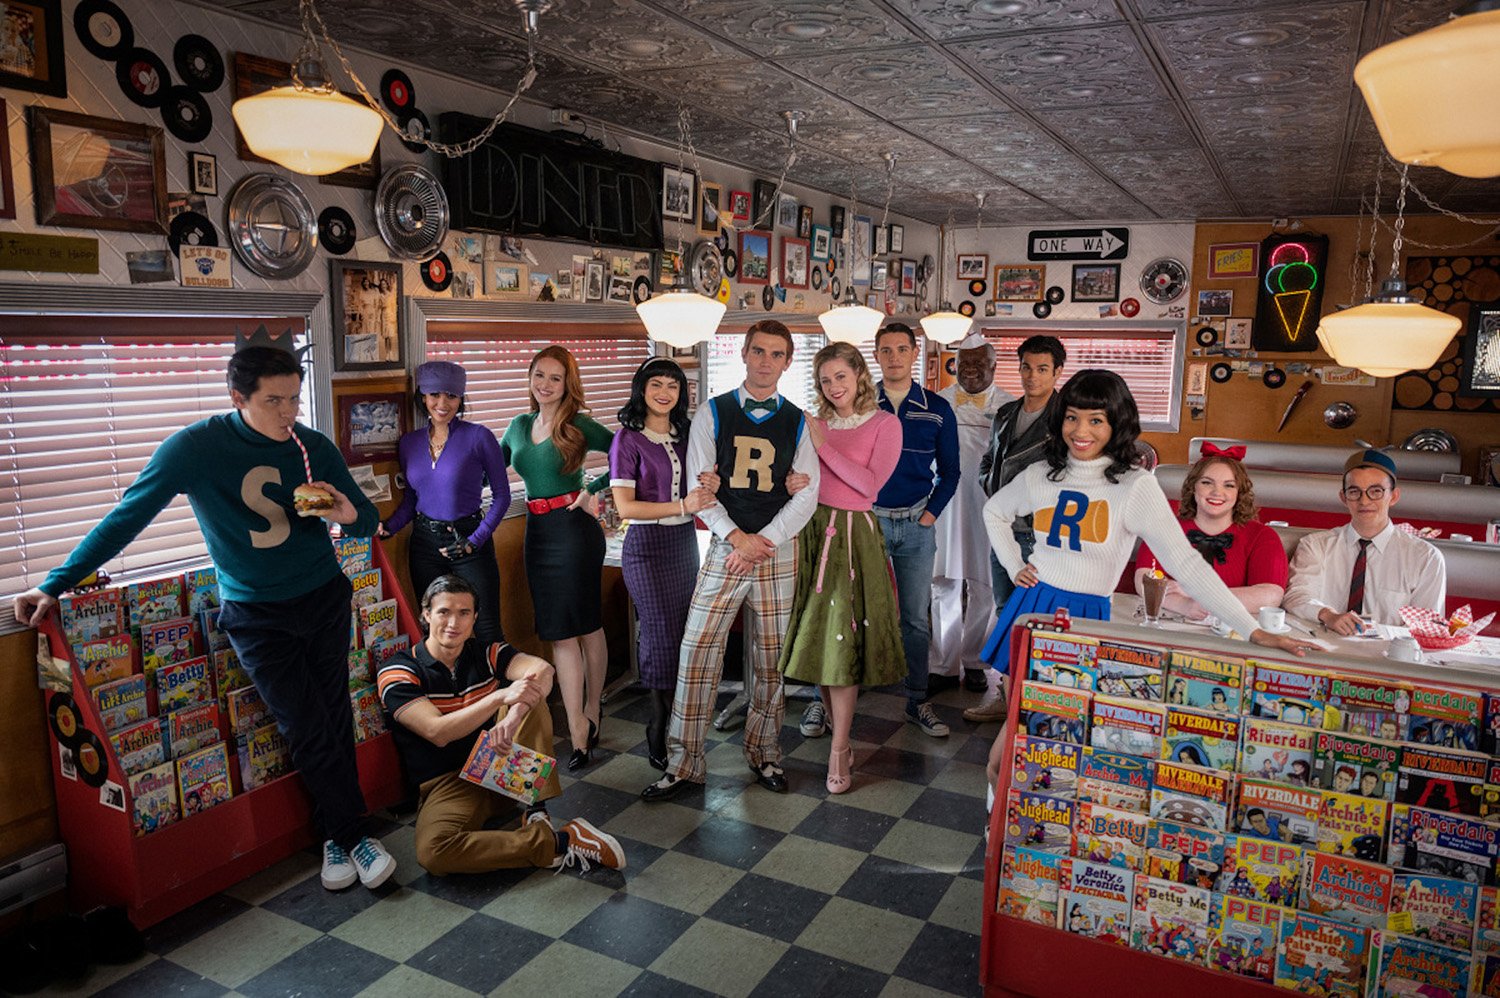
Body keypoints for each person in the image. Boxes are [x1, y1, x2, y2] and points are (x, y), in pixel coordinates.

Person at [12, 345, 396, 892]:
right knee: (305, 723)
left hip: (323, 599)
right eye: (273, 401)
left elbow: (368, 523)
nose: (289, 412)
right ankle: (350, 833)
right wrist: (54, 582)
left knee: (334, 713)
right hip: (256, 615)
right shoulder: (194, 448)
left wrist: (348, 514)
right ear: (237, 398)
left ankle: (339, 833)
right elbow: (127, 517)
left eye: (294, 397)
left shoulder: (313, 446)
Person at [978, 369, 1318, 806]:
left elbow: (1186, 565)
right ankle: (1000, 831)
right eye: (1073, 418)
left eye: (1096, 420)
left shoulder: (1135, 486)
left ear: (1117, 423)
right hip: (1036, 604)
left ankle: (1036, 835)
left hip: (1085, 618)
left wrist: (1251, 630)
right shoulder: (1041, 474)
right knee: (1011, 747)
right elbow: (994, 512)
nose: (1081, 431)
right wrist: (1014, 563)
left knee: (1059, 746)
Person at [641, 320, 820, 801]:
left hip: (776, 550)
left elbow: (808, 494)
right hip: (727, 545)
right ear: (743, 353)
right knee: (697, 649)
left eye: (776, 354)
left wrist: (764, 540)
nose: (765, 361)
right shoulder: (712, 412)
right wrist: (737, 537)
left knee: (769, 660)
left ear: (787, 361)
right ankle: (684, 764)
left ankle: (765, 754)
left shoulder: (799, 419)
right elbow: (699, 489)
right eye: (758, 351)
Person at [377, 575, 625, 876]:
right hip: (447, 783)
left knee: (530, 694)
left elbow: (543, 670)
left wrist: (512, 716)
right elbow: (437, 732)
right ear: (426, 615)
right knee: (433, 852)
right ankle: (561, 842)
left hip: (501, 766)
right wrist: (499, 697)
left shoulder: (486, 652)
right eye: (444, 612)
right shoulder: (399, 670)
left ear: (475, 618)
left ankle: (537, 811)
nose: (453, 622)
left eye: (464, 613)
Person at [778, 343, 904, 793]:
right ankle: (839, 737)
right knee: (819, 640)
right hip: (811, 531)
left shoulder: (886, 425)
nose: (834, 388)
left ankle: (839, 748)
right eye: (825, 380)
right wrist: (797, 478)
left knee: (841, 640)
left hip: (853, 537)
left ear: (859, 376)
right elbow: (805, 477)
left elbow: (869, 485)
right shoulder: (816, 423)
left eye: (841, 378)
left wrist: (823, 446)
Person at [825, 321, 958, 741]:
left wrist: (930, 515)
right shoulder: (859, 407)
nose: (895, 357)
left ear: (915, 353)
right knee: (845, 610)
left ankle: (917, 699)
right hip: (866, 520)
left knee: (915, 619)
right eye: (886, 350)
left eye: (903, 349)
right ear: (876, 356)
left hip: (916, 524)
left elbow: (952, 472)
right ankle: (823, 702)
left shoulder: (937, 407)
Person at [500, 346, 614, 770]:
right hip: (537, 532)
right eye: (539, 375)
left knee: (583, 626)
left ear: (568, 385)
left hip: (574, 530)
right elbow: (491, 468)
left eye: (555, 378)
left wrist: (593, 488)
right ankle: (583, 721)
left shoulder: (578, 425)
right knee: (560, 632)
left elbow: (627, 449)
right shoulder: (518, 425)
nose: (545, 385)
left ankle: (586, 722)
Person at [609, 358, 718, 771]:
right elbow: (624, 506)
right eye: (656, 384)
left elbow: (706, 476)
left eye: (673, 386)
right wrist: (682, 504)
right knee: (658, 633)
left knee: (686, 631)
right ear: (642, 389)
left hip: (683, 543)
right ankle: (658, 723)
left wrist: (711, 483)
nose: (664, 393)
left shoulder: (687, 434)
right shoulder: (628, 439)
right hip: (645, 546)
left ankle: (682, 725)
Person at [965, 335, 1065, 724]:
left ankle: (1037, 700)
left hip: (1042, 532)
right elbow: (989, 460)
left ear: (1057, 372)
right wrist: (992, 486)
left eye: (1042, 369)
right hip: (1003, 527)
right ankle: (1005, 696)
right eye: (1026, 367)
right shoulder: (1005, 412)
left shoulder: (1066, 416)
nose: (1032, 376)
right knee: (1006, 611)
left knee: (1040, 616)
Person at [380, 361, 509, 645]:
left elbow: (502, 496)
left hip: (470, 541)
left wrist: (474, 541)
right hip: (424, 544)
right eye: (434, 394)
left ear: (460, 398)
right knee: (434, 632)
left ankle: (502, 689)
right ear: (422, 396)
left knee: (487, 629)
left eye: (451, 396)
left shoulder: (479, 437)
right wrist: (387, 527)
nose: (442, 403)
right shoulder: (408, 443)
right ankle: (449, 689)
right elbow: (412, 500)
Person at [1283, 449, 1446, 633]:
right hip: (1322, 647)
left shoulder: (1425, 557)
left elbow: (1426, 627)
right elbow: (1296, 596)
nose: (1364, 501)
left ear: (1393, 496)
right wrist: (1328, 615)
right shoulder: (1315, 546)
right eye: (1354, 492)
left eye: (1376, 491)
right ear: (1343, 498)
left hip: (1389, 655)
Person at [930, 331, 1011, 695]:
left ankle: (975, 660)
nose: (972, 371)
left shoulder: (1010, 408)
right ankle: (943, 663)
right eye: (965, 364)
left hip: (988, 506)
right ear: (955, 366)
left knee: (984, 585)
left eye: (980, 364)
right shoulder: (936, 403)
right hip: (943, 504)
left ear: (994, 366)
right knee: (943, 583)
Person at [1132, 442, 1289, 620]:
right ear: (1193, 488)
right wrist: (1185, 605)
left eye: (1229, 485)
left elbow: (1270, 596)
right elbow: (1144, 580)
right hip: (1173, 626)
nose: (1217, 492)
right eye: (1207, 483)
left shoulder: (1263, 537)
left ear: (1240, 492)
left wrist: (1196, 593)